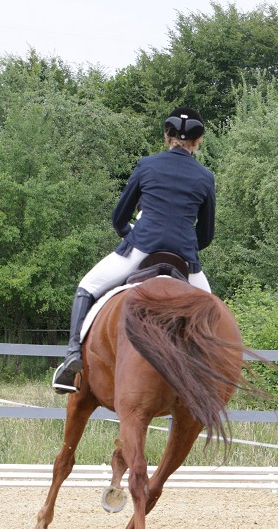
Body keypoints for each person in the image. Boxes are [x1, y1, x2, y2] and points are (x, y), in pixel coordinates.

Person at [51, 106, 216, 392]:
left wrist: (133, 235)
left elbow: (119, 216)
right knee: (212, 312)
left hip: (141, 249)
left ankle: (72, 357)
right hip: (185, 260)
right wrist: (186, 250)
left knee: (87, 287)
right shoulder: (205, 177)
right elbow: (206, 234)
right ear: (197, 142)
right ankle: (208, 375)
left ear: (167, 136)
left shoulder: (147, 165)